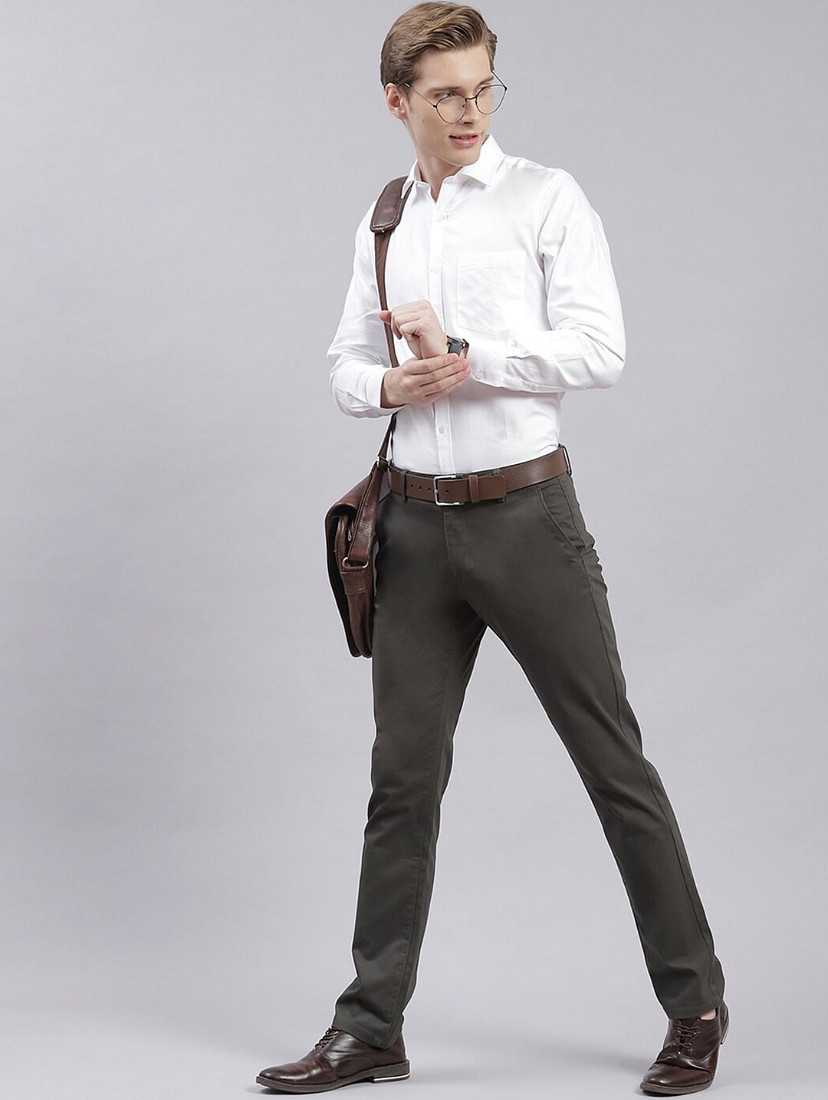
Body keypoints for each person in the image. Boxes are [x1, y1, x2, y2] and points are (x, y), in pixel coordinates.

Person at [257, 3, 728, 1095]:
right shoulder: (384, 218)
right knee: (401, 782)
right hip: (414, 529)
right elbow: (341, 365)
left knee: (613, 764)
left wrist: (468, 357)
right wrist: (392, 382)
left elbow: (601, 349)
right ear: (397, 102)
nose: (469, 112)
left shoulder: (546, 198)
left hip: (526, 520)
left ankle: (696, 1006)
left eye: (482, 89)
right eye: (444, 95)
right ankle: (371, 1027)